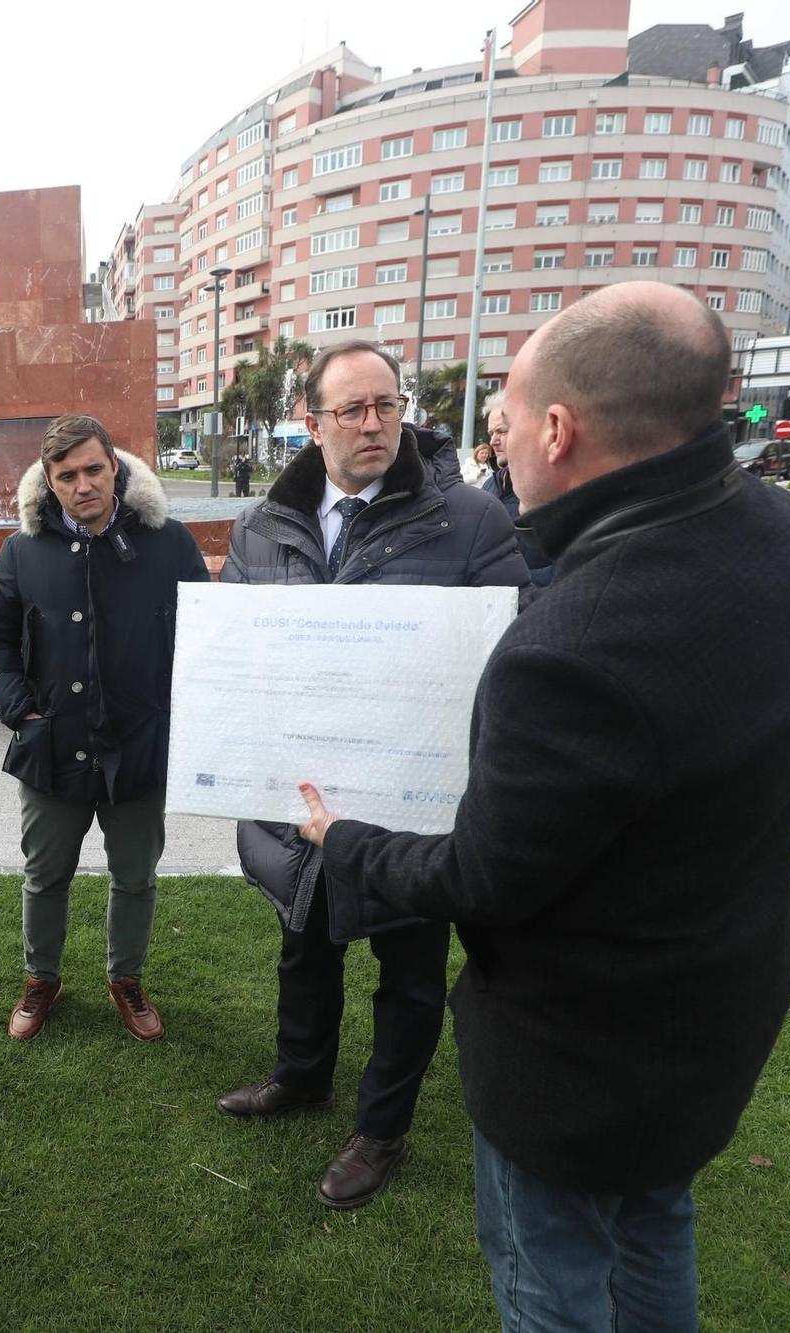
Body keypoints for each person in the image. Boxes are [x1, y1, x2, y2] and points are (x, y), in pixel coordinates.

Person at [295, 282, 790, 1329]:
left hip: (579, 1058)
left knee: (550, 1280)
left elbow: (480, 877)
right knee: (651, 1229)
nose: (495, 445)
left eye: (502, 423)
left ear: (556, 430)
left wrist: (346, 839)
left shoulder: (571, 647)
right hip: (717, 1007)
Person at [215, 339, 527, 1211]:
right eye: (351, 409)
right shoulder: (262, 523)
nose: (373, 423)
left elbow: (511, 654)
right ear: (311, 423)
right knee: (303, 940)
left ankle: (381, 1127)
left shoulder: (466, 521)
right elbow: (234, 651)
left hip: (413, 803)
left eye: (386, 404)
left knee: (411, 967)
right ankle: (301, 1075)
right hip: (299, 794)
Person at [0, 415, 211, 1043]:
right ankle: (41, 978)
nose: (83, 485)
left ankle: (126, 978)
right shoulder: (23, 549)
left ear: (115, 466)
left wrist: (179, 717)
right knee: (45, 875)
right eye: (66, 476)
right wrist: (19, 710)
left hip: (139, 746)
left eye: (93, 469)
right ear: (50, 484)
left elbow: (205, 639)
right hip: (51, 745)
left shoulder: (170, 543)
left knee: (136, 875)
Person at [481, 405, 557, 587]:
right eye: (491, 433)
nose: (493, 441)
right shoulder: (489, 485)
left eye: (501, 432)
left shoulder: (552, 486)